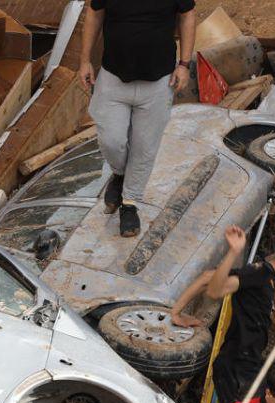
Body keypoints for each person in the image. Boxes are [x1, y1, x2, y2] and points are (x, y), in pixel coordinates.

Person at [169, 225, 275, 403]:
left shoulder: (264, 275)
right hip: (236, 368)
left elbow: (207, 277)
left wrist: (176, 312)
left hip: (246, 366)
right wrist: (233, 252)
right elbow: (214, 290)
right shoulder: (260, 274)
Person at [79, 0, 196, 238]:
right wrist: (84, 60)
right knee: (111, 141)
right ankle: (120, 174)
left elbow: (188, 16)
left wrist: (184, 64)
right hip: (114, 77)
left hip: (159, 81)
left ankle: (130, 203)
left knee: (144, 147)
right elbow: (94, 14)